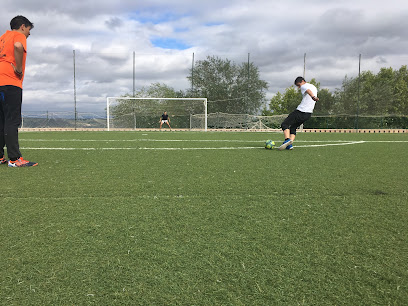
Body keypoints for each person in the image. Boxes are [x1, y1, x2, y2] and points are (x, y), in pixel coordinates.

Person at [0, 15, 38, 167]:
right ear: (23, 26)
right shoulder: (18, 35)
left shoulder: (2, 38)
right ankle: (15, 159)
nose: (29, 34)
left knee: (1, 120)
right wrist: (19, 69)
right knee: (11, 120)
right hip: (10, 82)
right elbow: (18, 46)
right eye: (29, 30)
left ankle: (0, 157)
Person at [277, 76, 319, 150]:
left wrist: (313, 97)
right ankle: (290, 145)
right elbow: (310, 91)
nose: (299, 87)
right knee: (293, 127)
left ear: (302, 81)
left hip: (301, 111)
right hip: (308, 114)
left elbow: (308, 90)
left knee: (284, 124)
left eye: (298, 85)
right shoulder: (313, 86)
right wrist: (314, 96)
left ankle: (287, 140)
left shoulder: (304, 86)